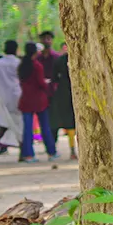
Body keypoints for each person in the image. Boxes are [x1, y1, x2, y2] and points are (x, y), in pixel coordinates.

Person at [17, 44, 56, 165]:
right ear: (35, 52)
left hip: (26, 100)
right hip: (39, 100)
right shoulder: (37, 66)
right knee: (45, 126)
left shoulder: (22, 66)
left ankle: (28, 154)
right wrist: (48, 84)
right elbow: (41, 83)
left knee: (27, 129)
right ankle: (51, 152)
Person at [39, 32, 75, 160]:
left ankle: (54, 150)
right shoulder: (67, 59)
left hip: (60, 94)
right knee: (68, 123)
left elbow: (54, 78)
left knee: (57, 122)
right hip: (65, 94)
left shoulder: (57, 59)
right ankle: (64, 150)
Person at [0, 40, 23, 158]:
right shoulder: (18, 63)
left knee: (3, 123)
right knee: (19, 124)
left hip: (1, 96)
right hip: (16, 95)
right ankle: (22, 152)